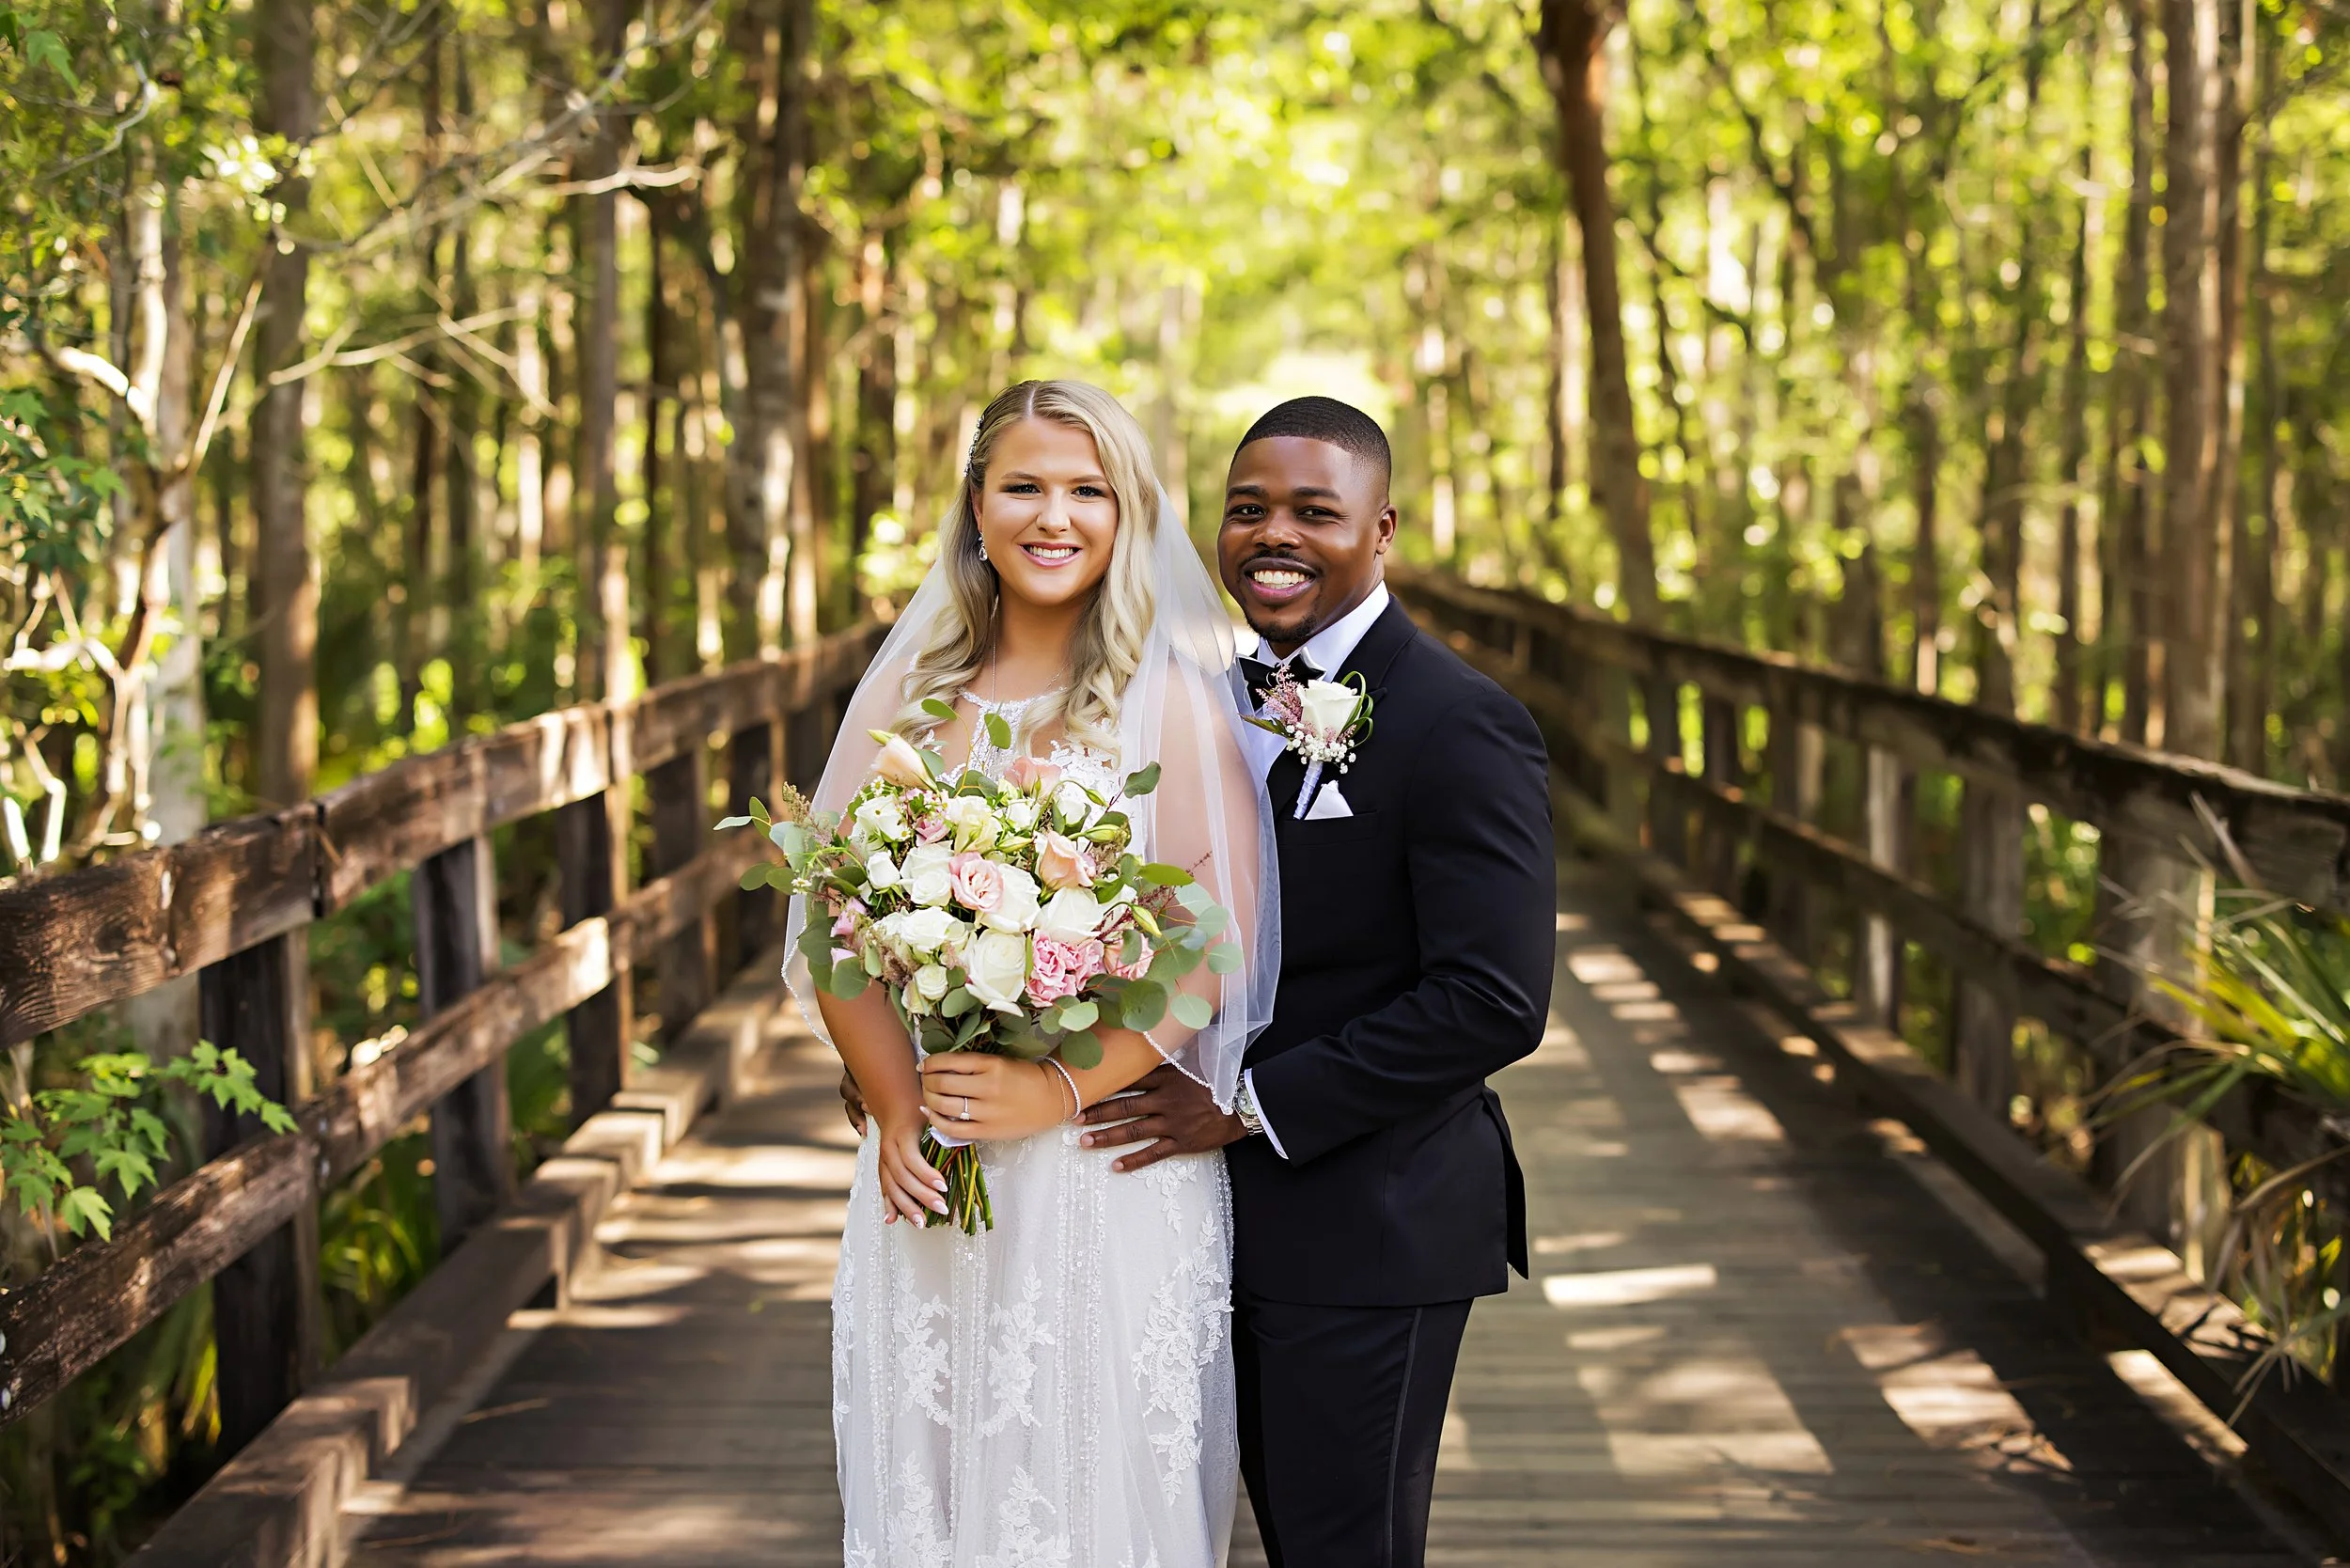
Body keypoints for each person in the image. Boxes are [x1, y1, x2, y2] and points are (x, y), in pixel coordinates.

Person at [794, 379, 1279, 1567]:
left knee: (1088, 1477)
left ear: (1126, 515)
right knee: (933, 1479)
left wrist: (1059, 1091)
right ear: (975, 507)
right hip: (928, 1164)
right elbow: (832, 916)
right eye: (1022, 486)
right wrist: (899, 1105)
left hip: (1097, 1169)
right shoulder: (910, 704)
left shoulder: (1168, 701)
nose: (1051, 515)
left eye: (1085, 490)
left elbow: (1218, 945)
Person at [1074, 397, 1556, 1568]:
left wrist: (1247, 1104)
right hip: (1197, 1220)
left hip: (1366, 1226)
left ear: (1380, 529)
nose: (1271, 534)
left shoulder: (1459, 722)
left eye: (1312, 512)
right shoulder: (1200, 700)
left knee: (1342, 1550)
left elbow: (1494, 996)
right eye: (1247, 510)